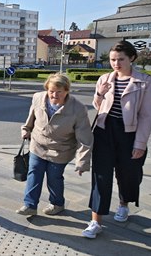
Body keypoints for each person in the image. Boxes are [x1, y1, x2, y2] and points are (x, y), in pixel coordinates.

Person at [82, 40, 151, 239]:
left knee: (128, 174)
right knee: (101, 176)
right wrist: (100, 93)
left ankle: (124, 204)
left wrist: (140, 144)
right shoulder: (104, 78)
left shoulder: (145, 81)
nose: (116, 63)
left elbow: (146, 116)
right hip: (104, 132)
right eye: (113, 59)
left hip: (130, 134)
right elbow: (98, 107)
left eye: (120, 59)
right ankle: (96, 221)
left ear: (131, 58)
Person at [16, 73, 93, 216]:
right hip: (38, 145)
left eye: (59, 92)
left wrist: (82, 161)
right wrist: (26, 129)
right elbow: (31, 117)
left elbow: (85, 137)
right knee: (34, 173)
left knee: (54, 177)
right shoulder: (38, 97)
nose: (54, 95)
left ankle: (57, 203)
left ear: (67, 91)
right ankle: (30, 205)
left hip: (61, 150)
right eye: (51, 91)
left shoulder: (78, 108)